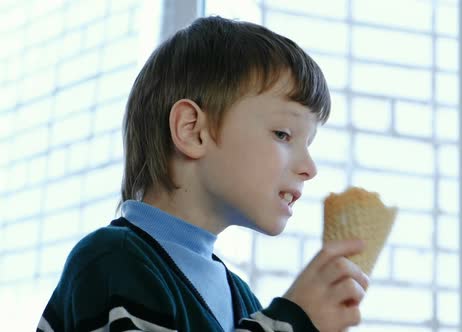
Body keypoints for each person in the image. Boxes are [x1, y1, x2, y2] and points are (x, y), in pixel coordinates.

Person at [37, 16, 369, 332]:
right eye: (283, 134)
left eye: (309, 143)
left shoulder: (242, 298)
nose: (309, 168)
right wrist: (291, 321)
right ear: (192, 130)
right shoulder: (112, 261)